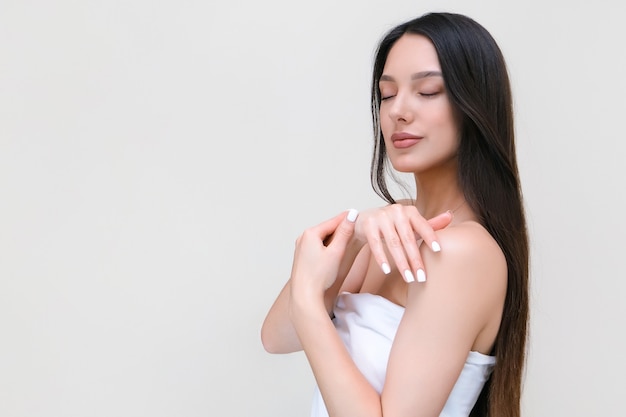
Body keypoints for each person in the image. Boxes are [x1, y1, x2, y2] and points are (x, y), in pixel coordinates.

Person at [261, 11, 529, 417]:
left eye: (428, 91)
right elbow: (277, 337)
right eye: (387, 94)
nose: (397, 111)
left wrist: (308, 300)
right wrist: (352, 235)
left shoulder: (460, 252)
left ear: (475, 105)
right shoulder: (389, 227)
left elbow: (304, 314)